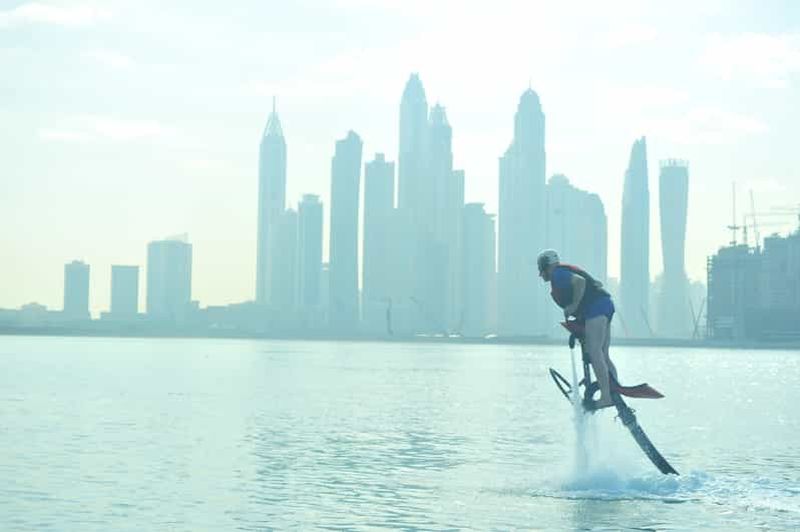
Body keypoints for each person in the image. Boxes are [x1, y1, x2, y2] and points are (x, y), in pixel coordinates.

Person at [537, 249, 618, 410]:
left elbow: (580, 282)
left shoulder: (558, 274)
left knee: (594, 352)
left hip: (597, 308)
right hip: (605, 305)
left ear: (546, 266)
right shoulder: (562, 273)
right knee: (603, 354)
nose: (540, 274)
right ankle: (614, 390)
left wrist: (573, 305)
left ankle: (607, 397)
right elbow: (595, 285)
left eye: (541, 269)